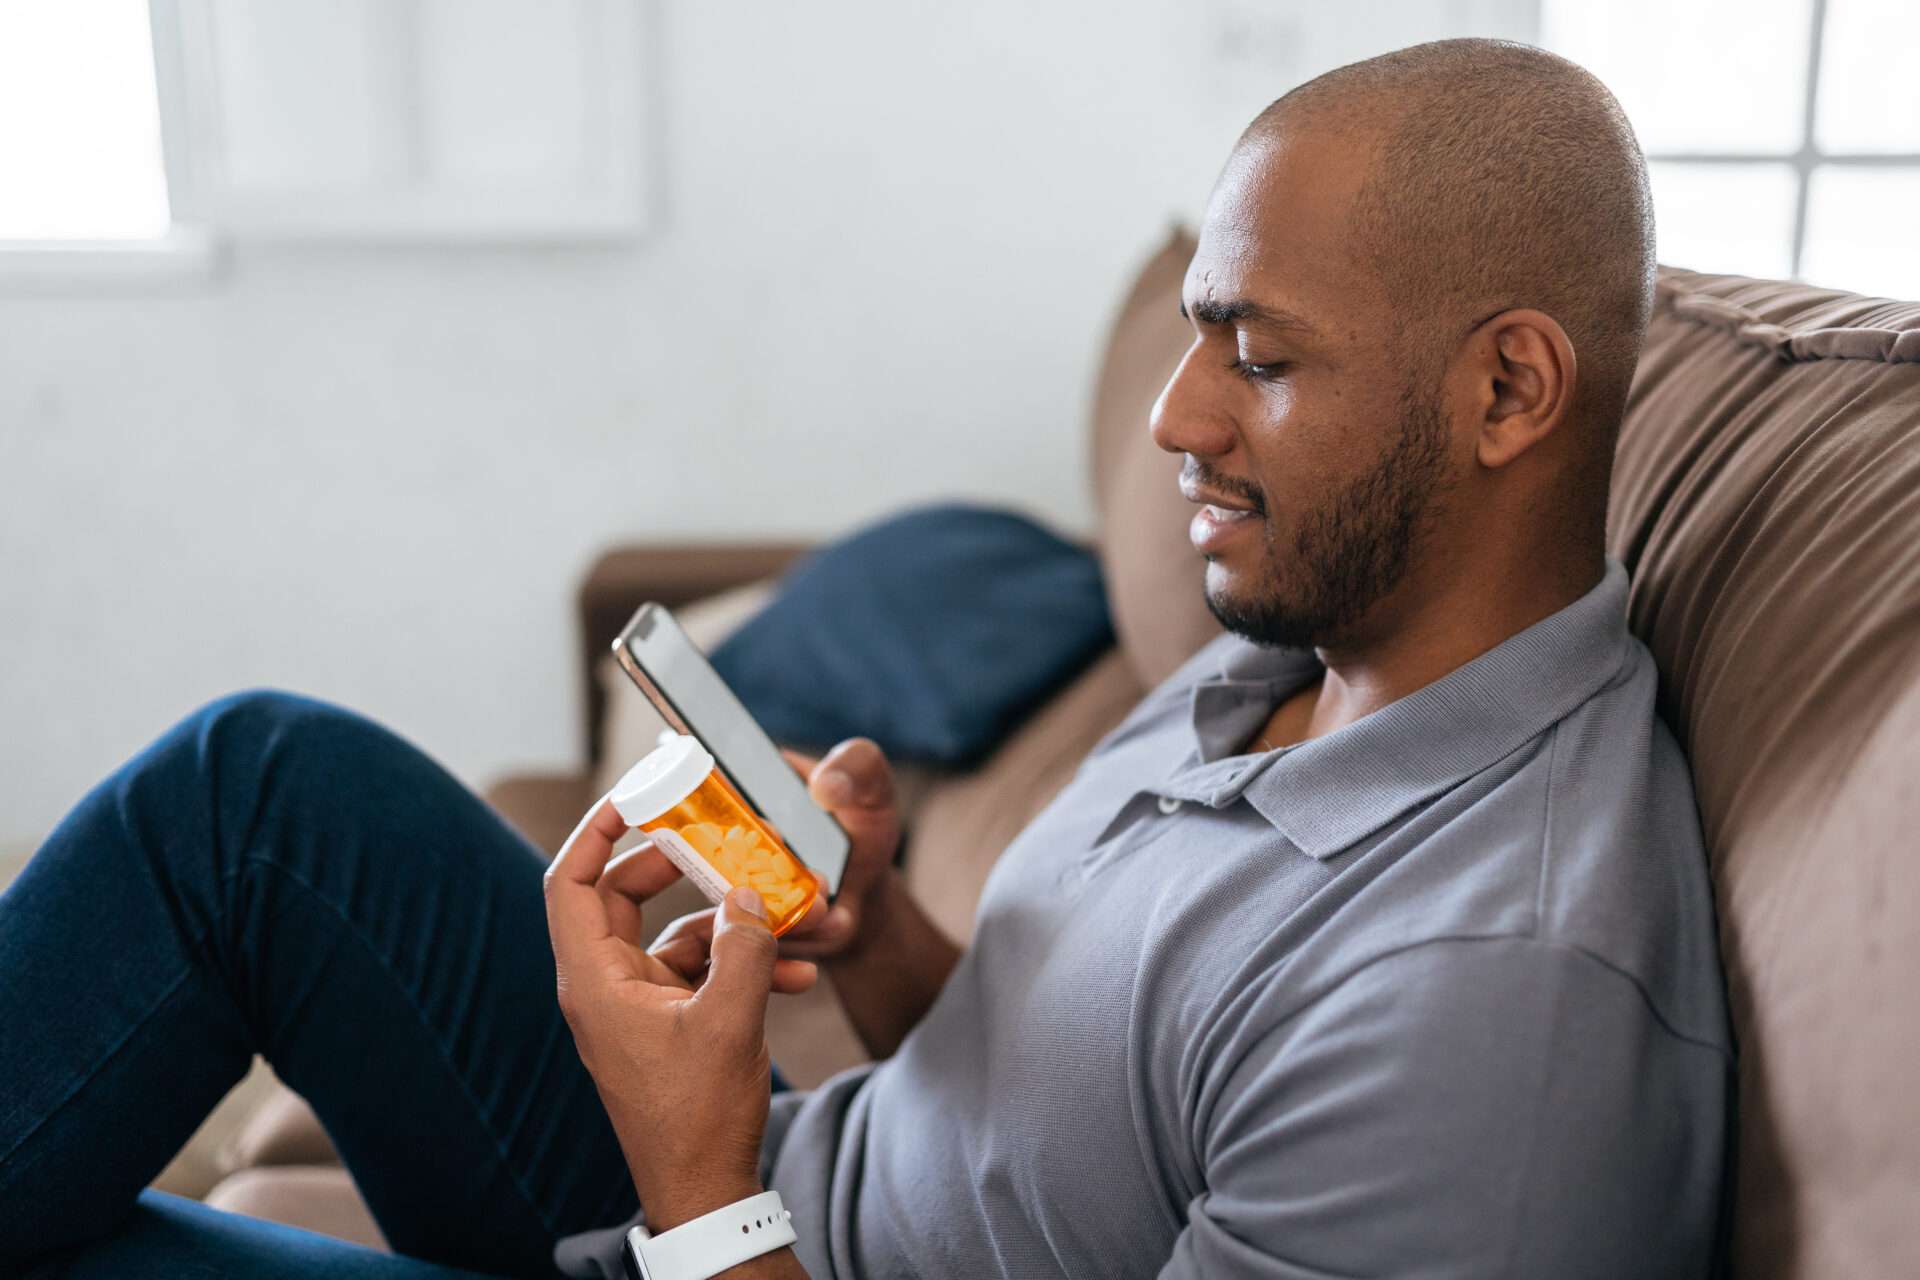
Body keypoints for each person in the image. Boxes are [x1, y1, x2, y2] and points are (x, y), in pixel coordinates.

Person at [0, 37, 1731, 1280]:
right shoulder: (1286, 658)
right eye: (1196, 331)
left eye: (1259, 360)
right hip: (763, 1186)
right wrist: (883, 934)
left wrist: (692, 1173)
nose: (1173, 417)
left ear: (1507, 390)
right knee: (256, 791)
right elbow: (1058, 1122)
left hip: (724, 1234)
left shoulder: (1493, 1012)